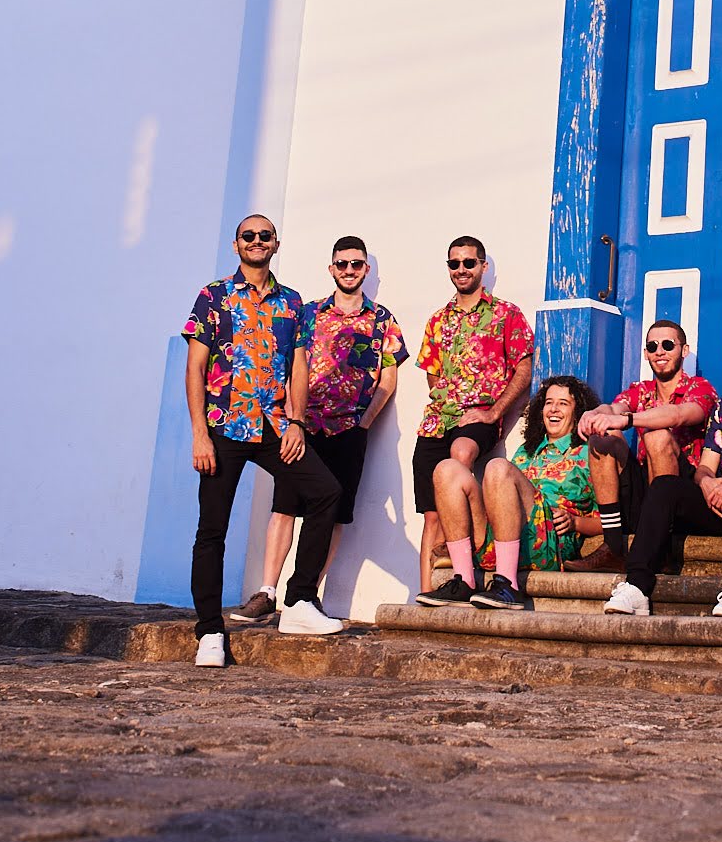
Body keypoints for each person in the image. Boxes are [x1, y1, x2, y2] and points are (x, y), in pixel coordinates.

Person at [183, 214, 344, 666]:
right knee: (212, 529)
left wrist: (296, 422)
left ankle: (297, 602)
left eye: (264, 236)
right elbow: (195, 368)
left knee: (326, 492)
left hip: (275, 427)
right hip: (224, 427)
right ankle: (209, 631)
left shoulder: (292, 303)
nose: (257, 241)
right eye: (248, 236)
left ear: (276, 244)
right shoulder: (213, 296)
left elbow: (298, 366)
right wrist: (200, 434)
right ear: (237, 245)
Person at [230, 235, 405, 625]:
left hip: (349, 430)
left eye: (356, 264)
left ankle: (305, 596)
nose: (348, 270)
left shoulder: (381, 320)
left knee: (336, 514)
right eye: (341, 264)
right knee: (285, 507)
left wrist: (363, 423)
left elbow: (389, 378)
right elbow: (289, 365)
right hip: (304, 427)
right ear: (331, 269)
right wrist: (293, 416)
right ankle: (267, 592)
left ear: (366, 270)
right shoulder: (307, 314)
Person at [602, 320, 722, 617]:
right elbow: (705, 467)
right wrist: (708, 484)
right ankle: (637, 585)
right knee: (666, 487)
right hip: (720, 504)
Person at [412, 236, 533, 599]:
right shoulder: (438, 319)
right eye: (455, 264)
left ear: (483, 266)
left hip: (477, 415)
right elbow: (432, 371)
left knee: (461, 456)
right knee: (431, 515)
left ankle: (476, 547)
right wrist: (445, 397)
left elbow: (523, 370)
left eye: (469, 263)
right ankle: (427, 591)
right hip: (436, 420)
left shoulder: (506, 314)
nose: (461, 270)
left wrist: (494, 412)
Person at [575, 320, 717, 568]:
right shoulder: (640, 390)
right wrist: (594, 414)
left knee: (657, 435)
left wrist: (626, 419)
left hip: (682, 492)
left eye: (668, 344)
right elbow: (613, 408)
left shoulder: (699, 387)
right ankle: (613, 546)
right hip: (645, 489)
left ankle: (661, 546)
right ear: (645, 354)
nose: (659, 351)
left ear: (683, 351)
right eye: (653, 346)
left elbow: (679, 415)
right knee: (603, 438)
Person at [463, 377, 604, 610]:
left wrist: (576, 522)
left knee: (497, 467)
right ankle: (463, 579)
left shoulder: (588, 454)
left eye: (563, 403)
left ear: (578, 412)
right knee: (448, 471)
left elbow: (609, 521)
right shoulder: (526, 451)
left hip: (548, 544)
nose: (554, 409)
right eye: (548, 403)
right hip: (503, 538)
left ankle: (507, 584)